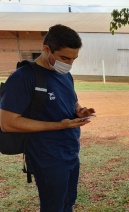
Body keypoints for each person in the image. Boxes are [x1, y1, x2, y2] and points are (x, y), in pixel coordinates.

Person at [0, 24, 95, 211]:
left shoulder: (65, 75)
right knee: (53, 207)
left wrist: (79, 110)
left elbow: (72, 102)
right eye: (64, 58)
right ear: (46, 49)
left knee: (68, 202)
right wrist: (58, 126)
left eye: (74, 59)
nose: (69, 64)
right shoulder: (23, 78)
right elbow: (7, 123)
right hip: (46, 156)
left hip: (70, 151)